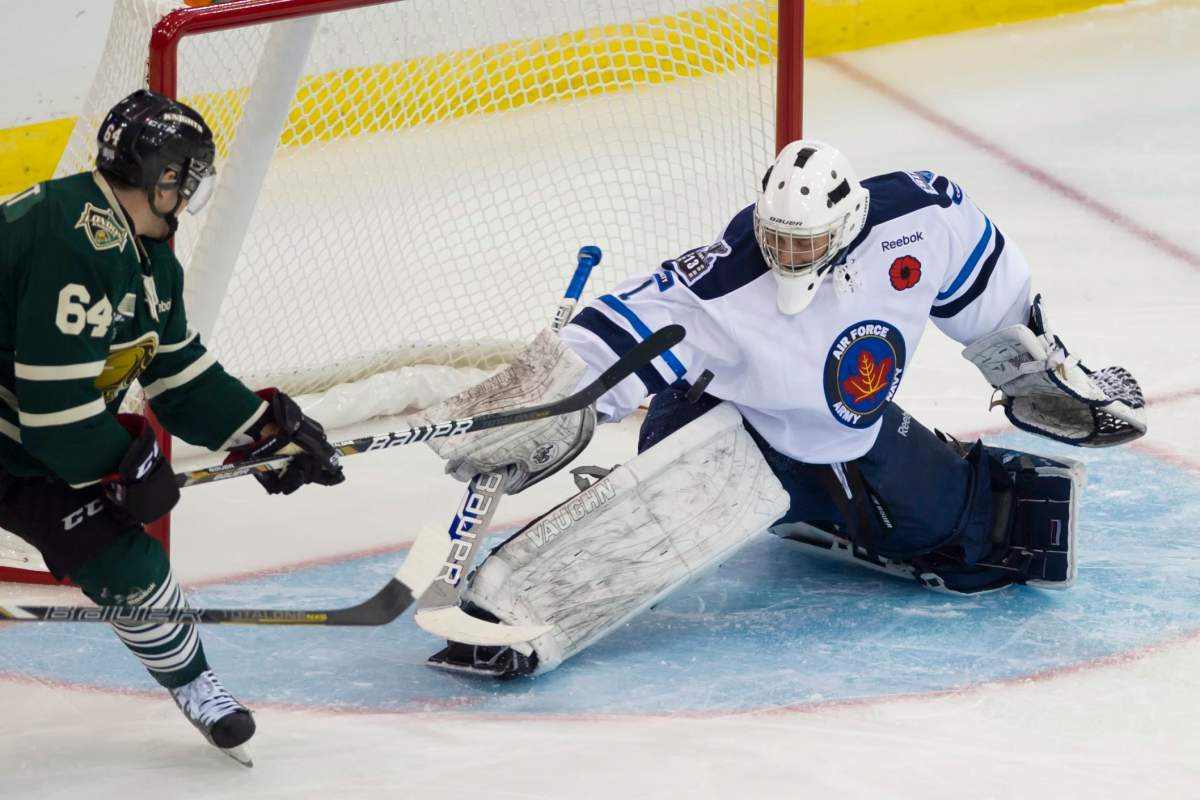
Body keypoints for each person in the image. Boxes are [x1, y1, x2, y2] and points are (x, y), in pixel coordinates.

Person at [417, 139, 1146, 679]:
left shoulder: (924, 219)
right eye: (777, 239)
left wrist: (1043, 368)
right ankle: (507, 612)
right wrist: (539, 402)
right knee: (640, 536)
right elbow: (617, 330)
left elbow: (995, 298)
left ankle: (820, 506)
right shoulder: (723, 281)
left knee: (978, 545)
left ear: (849, 220)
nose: (788, 255)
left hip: (844, 436)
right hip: (725, 433)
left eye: (805, 242)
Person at [0, 90, 344, 763]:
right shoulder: (75, 241)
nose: (189, 195)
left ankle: (197, 686)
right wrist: (125, 466)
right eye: (187, 179)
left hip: (23, 443)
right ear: (165, 178)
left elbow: (177, 370)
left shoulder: (146, 255)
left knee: (128, 561)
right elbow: (55, 412)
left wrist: (260, 434)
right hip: (27, 436)